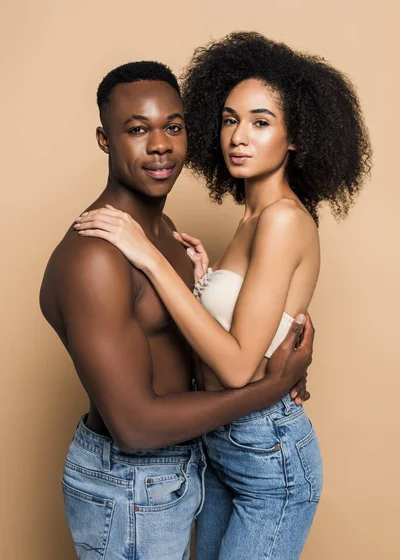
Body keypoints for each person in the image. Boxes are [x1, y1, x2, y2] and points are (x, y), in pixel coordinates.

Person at [75, 33, 371, 559]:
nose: (239, 136)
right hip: (222, 445)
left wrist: (146, 254)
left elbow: (236, 368)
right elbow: (242, 332)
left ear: (295, 135)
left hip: (267, 455)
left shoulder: (281, 219)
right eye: (230, 119)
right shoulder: (251, 219)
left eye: (261, 122)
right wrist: (206, 284)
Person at [40, 60, 313, 560]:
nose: (161, 144)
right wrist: (269, 388)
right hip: (130, 485)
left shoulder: (167, 236)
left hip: (190, 468)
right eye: (138, 130)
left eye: (173, 127)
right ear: (105, 140)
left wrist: (275, 340)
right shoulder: (99, 256)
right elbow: (136, 426)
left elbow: (206, 345)